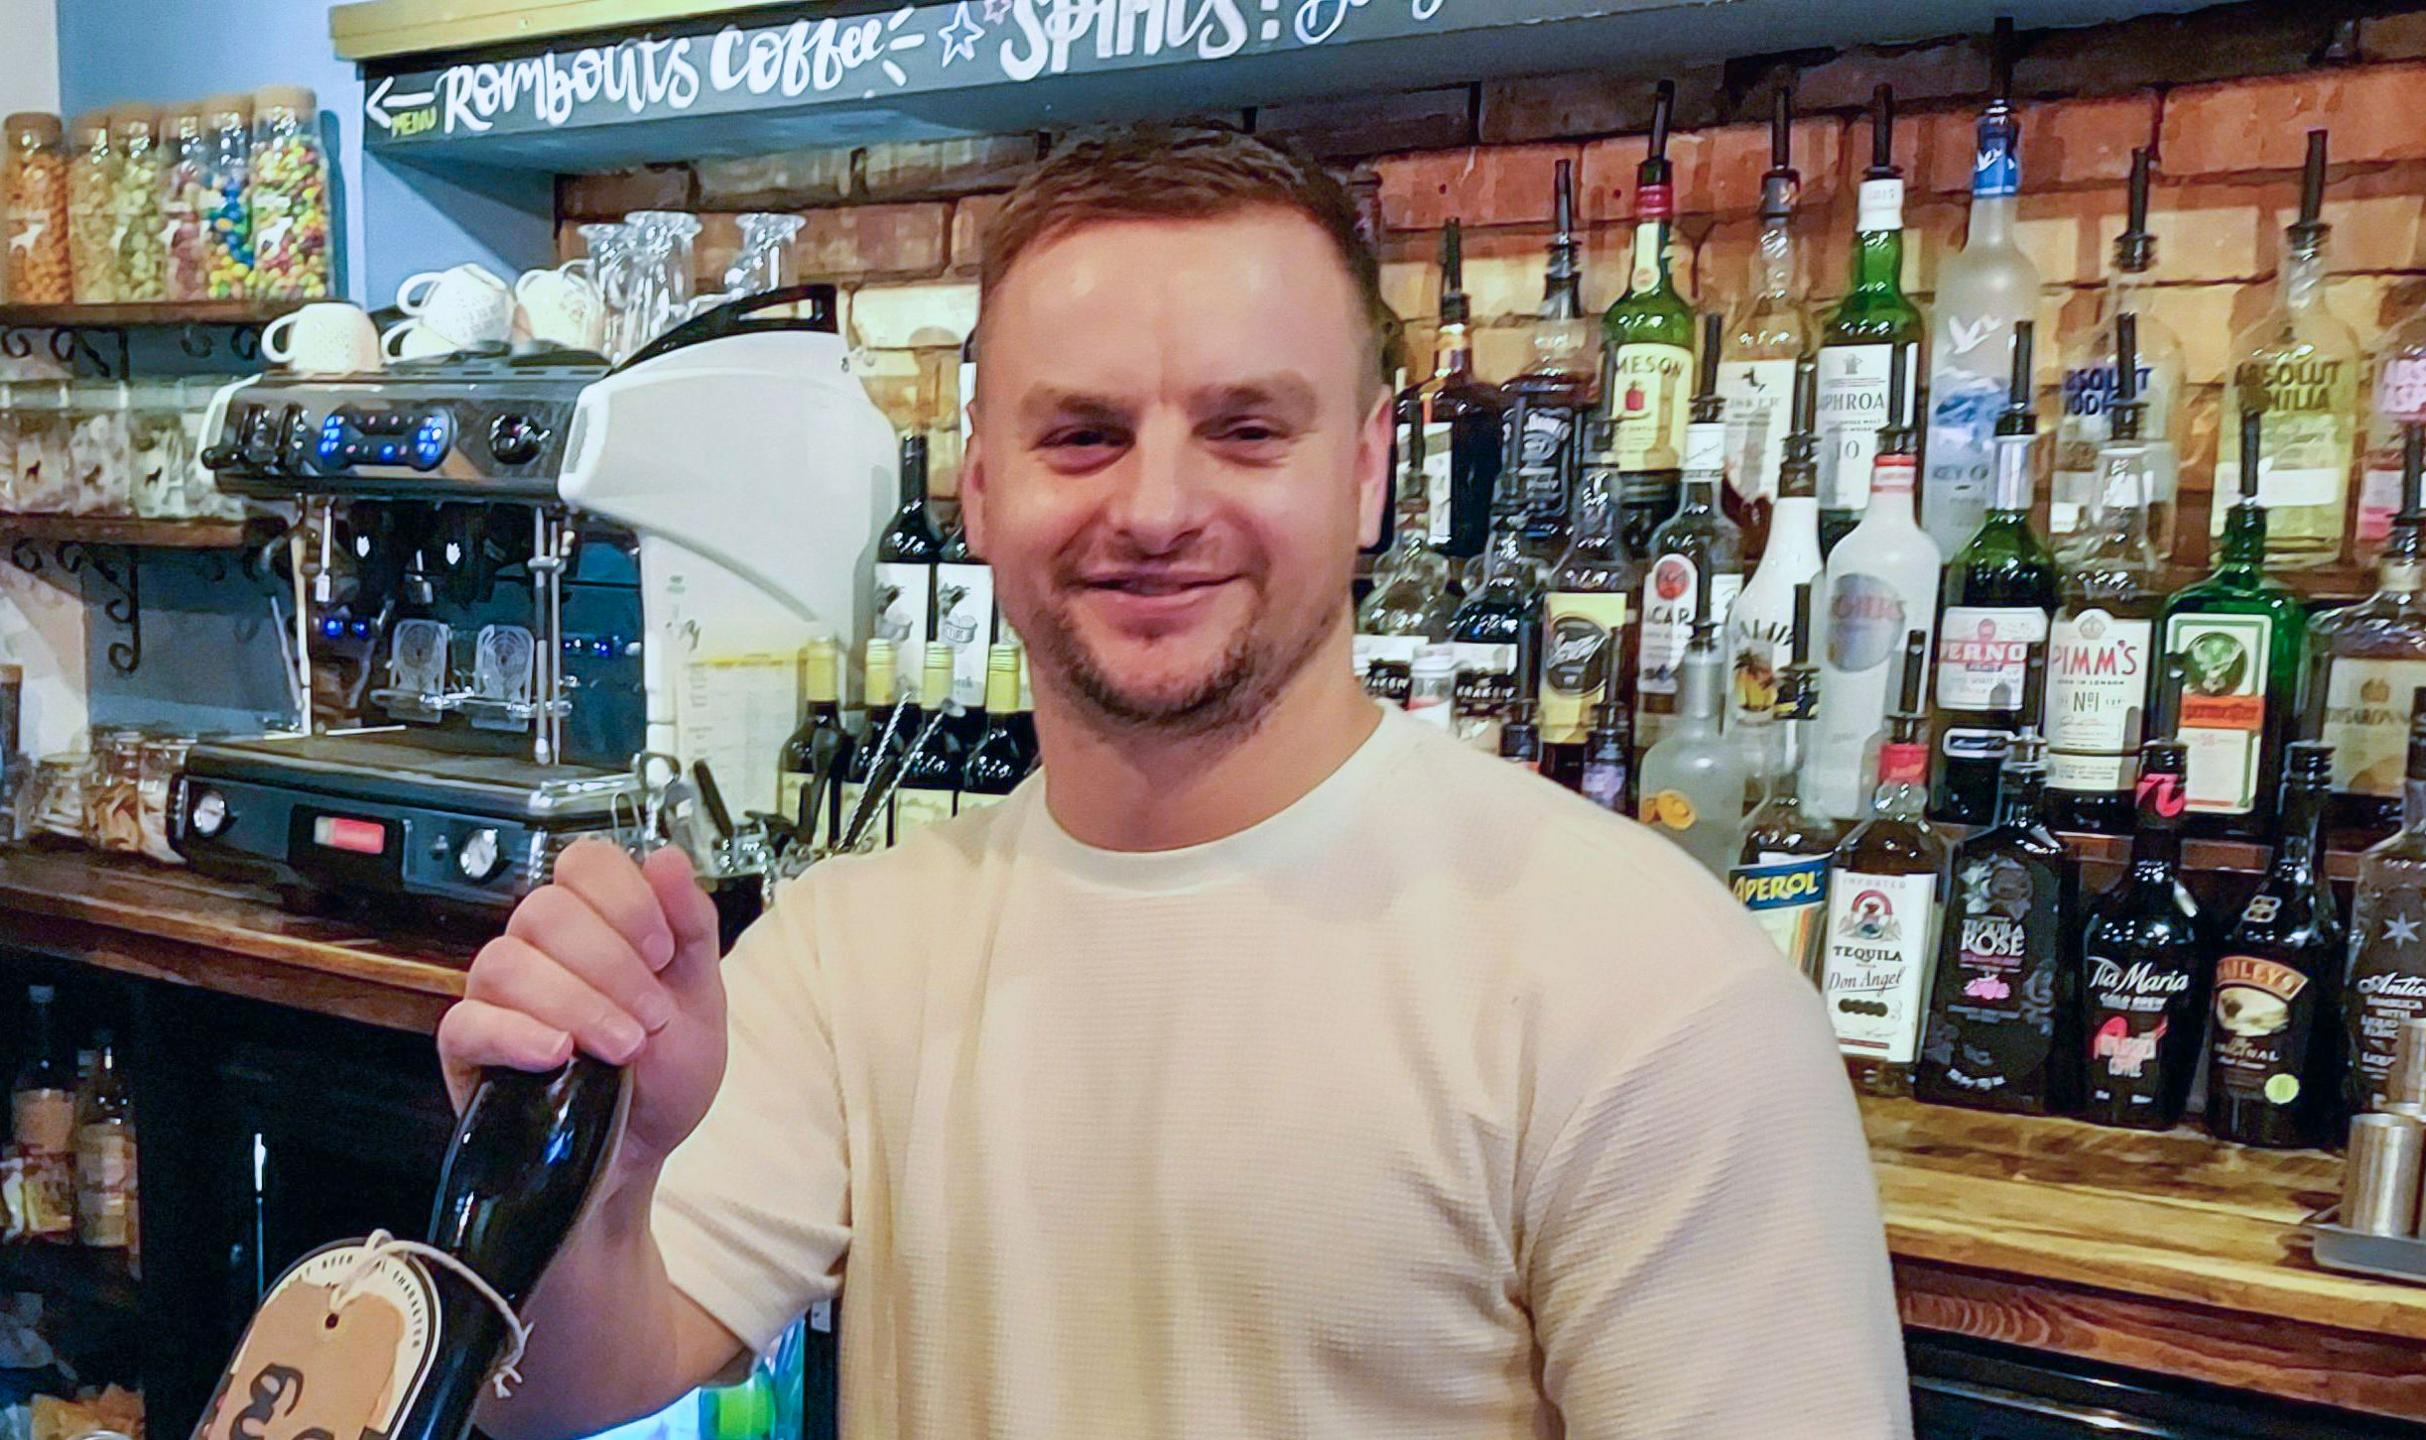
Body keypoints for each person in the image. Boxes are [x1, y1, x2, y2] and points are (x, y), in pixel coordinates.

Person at [438, 123, 1911, 1440]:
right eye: (1081, 435)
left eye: (1247, 429)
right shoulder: (851, 949)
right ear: (979, 491)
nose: (1153, 507)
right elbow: (566, 1386)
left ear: (1370, 473)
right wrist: (586, 1184)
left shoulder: (1652, 994)